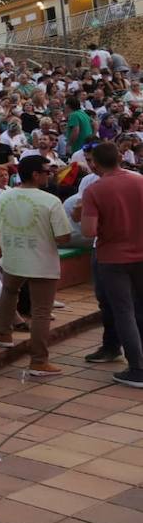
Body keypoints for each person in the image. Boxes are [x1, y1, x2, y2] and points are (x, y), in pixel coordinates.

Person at [0, 155, 72, 375]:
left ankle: (3, 333)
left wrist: (4, 252)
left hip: (13, 257)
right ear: (36, 174)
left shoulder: (1, 197)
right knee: (42, 311)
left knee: (9, 292)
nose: (50, 174)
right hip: (41, 261)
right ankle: (38, 361)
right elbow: (64, 238)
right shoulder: (50, 201)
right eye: (47, 171)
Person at [80, 141, 143, 388]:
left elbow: (88, 231)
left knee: (123, 312)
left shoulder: (95, 190)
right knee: (140, 309)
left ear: (94, 163)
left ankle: (138, 369)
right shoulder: (139, 180)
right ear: (119, 157)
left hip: (113, 258)